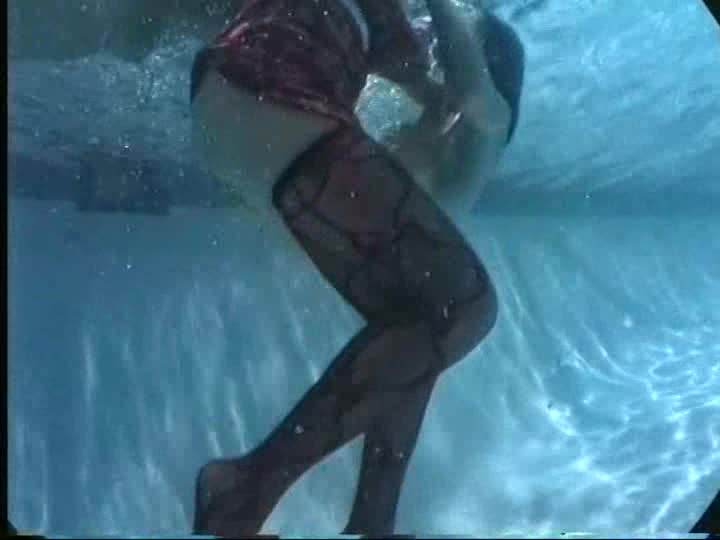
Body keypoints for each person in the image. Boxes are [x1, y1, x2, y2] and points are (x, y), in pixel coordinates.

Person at [189, 0, 499, 536]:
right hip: (277, 96)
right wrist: (435, 97)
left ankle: (373, 521)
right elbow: (412, 64)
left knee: (418, 320)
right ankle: (243, 486)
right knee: (464, 305)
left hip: (229, 102)